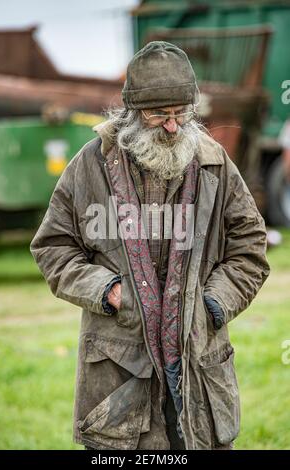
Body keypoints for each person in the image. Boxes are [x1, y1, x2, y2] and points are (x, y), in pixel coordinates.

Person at [30, 41, 270, 450]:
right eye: (158, 114)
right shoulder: (90, 166)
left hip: (198, 364)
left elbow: (250, 245)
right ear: (130, 114)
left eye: (180, 113)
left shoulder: (215, 163)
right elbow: (53, 246)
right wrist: (105, 290)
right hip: (118, 367)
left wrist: (214, 302)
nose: (172, 126)